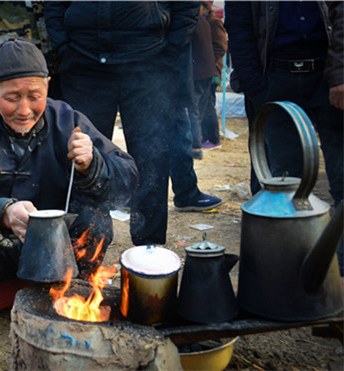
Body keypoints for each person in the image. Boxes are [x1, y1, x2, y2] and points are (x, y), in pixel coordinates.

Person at [0, 39, 139, 363]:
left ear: (47, 87)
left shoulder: (66, 119)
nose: (24, 110)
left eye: (34, 96)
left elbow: (128, 177)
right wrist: (2, 213)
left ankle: (67, 303)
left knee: (97, 222)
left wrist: (93, 166)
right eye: (11, 98)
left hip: (52, 247)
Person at [44, 2, 222, 246]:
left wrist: (170, 46)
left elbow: (187, 5)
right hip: (84, 61)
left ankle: (148, 250)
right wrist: (63, 44)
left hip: (150, 59)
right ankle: (86, 247)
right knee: (83, 155)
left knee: (152, 159)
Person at [226, 1, 343, 273]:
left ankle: (338, 264)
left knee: (341, 177)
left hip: (328, 74)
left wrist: (340, 74)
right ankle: (288, 265)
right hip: (275, 78)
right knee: (284, 183)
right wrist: (255, 85)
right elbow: (239, 27)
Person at [201, 1, 228, 150]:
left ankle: (213, 138)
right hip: (203, 70)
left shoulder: (214, 23)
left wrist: (209, 62)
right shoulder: (201, 21)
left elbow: (221, 47)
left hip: (211, 71)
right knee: (203, 105)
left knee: (208, 106)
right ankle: (205, 136)